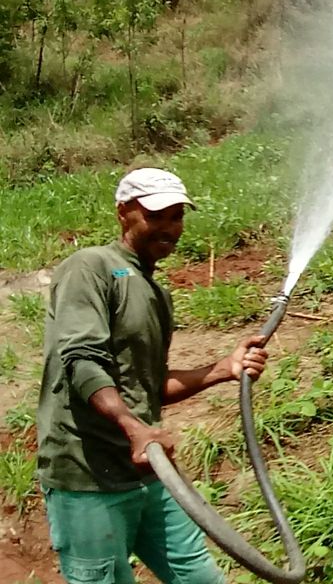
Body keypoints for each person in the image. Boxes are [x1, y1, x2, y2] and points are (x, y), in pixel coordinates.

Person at [36, 168, 270, 584]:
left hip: (147, 471)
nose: (169, 228)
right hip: (87, 476)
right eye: (156, 215)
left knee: (201, 578)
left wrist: (222, 369)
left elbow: (148, 386)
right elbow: (81, 362)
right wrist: (132, 427)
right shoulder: (90, 267)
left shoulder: (155, 290)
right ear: (124, 213)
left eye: (177, 216)